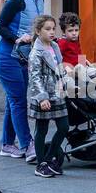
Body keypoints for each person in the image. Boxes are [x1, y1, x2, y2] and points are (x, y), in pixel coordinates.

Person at [0, 0, 47, 162]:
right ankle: (27, 145)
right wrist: (17, 39)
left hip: (23, 56)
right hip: (6, 56)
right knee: (18, 100)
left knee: (13, 99)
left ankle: (7, 144)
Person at [28, 14, 68, 178]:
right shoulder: (36, 53)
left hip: (57, 93)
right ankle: (41, 164)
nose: (52, 32)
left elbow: (59, 68)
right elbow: (34, 76)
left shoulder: (55, 47)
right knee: (42, 129)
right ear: (38, 31)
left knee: (64, 127)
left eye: (53, 29)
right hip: (44, 95)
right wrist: (42, 97)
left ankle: (49, 157)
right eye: (48, 29)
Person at [56, 12, 96, 95]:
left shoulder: (76, 40)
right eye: (70, 31)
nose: (74, 33)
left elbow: (79, 55)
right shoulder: (62, 42)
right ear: (63, 31)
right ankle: (92, 87)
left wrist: (87, 63)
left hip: (82, 70)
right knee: (80, 67)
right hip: (71, 71)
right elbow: (57, 58)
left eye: (76, 30)